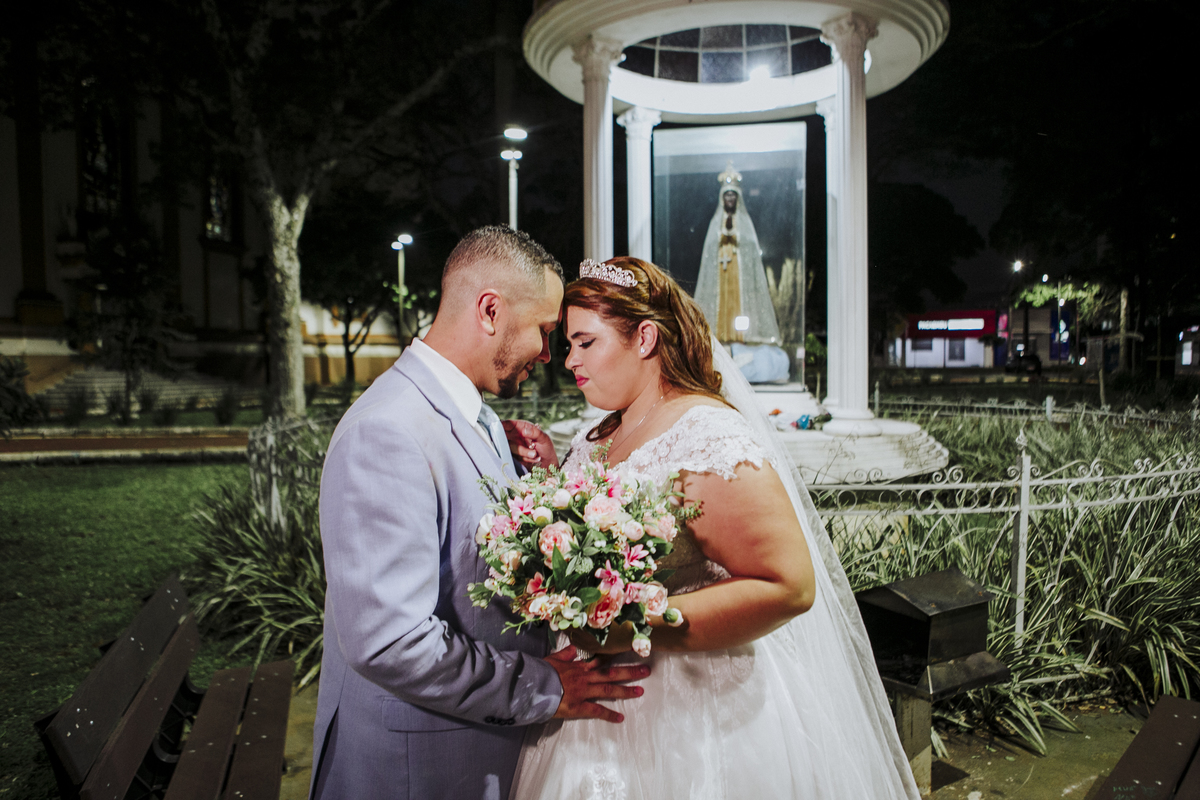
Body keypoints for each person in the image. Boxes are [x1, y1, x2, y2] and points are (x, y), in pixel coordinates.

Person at [509, 256, 920, 799]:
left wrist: (634, 625)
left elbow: (789, 586)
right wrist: (550, 481)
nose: (569, 360)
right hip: (595, 709)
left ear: (645, 338)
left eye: (585, 342)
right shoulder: (599, 433)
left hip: (694, 716)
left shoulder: (707, 436)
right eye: (568, 345)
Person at [310, 228, 649, 800]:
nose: (549, 355)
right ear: (490, 311)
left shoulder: (473, 416)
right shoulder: (386, 432)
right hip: (415, 771)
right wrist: (542, 687)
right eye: (544, 331)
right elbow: (391, 642)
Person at [693, 161, 782, 345]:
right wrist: (721, 234)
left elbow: (750, 245)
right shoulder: (716, 222)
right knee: (721, 300)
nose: (730, 199)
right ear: (722, 198)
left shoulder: (744, 222)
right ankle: (720, 334)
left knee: (738, 300)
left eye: (733, 195)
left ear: (738, 198)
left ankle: (740, 336)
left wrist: (736, 235)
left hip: (738, 270)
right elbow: (710, 246)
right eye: (727, 195)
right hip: (721, 268)